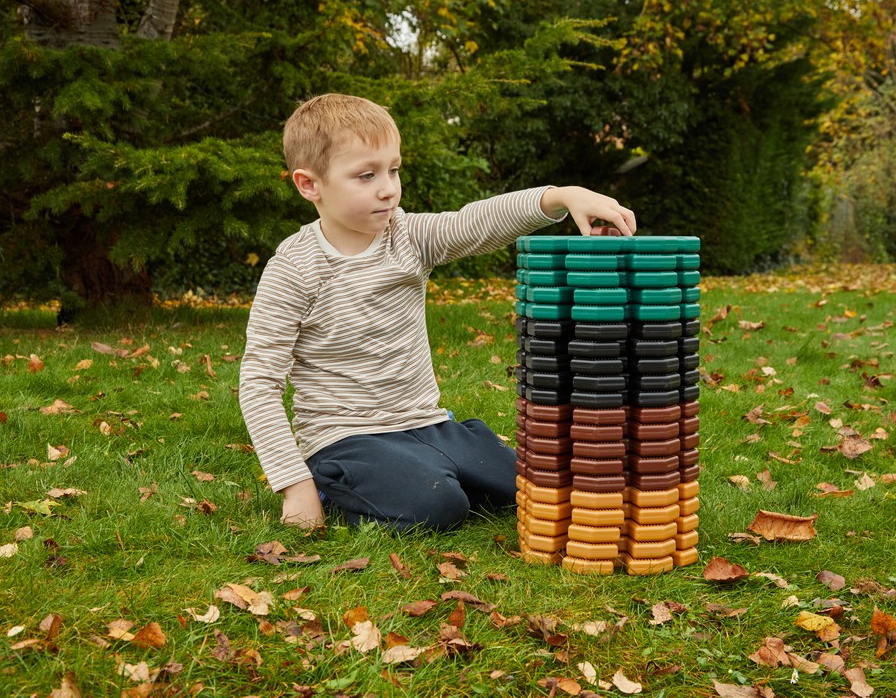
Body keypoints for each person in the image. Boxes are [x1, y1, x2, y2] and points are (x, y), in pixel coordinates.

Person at [238, 93, 635, 532]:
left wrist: (559, 197)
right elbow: (259, 382)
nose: (388, 187)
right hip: (345, 438)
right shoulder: (293, 268)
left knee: (530, 487)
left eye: (393, 170)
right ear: (309, 184)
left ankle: (449, 455)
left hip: (425, 424)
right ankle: (335, 483)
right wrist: (295, 485)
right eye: (366, 175)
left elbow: (474, 222)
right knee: (440, 506)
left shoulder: (408, 236)